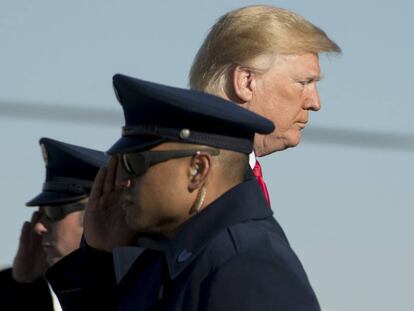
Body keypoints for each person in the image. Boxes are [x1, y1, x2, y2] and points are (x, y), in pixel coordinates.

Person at [46, 74, 321, 310]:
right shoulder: (174, 258)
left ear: (198, 170)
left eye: (135, 163)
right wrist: (99, 259)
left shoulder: (248, 267)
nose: (122, 180)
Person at [189, 5, 341, 200]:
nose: (315, 103)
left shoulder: (213, 175)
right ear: (246, 82)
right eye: (303, 83)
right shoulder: (198, 184)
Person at [0, 138, 108, 310]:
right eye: (40, 215)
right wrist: (22, 283)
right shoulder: (35, 292)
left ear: (92, 216)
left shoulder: (134, 290)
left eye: (53, 212)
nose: (38, 227)